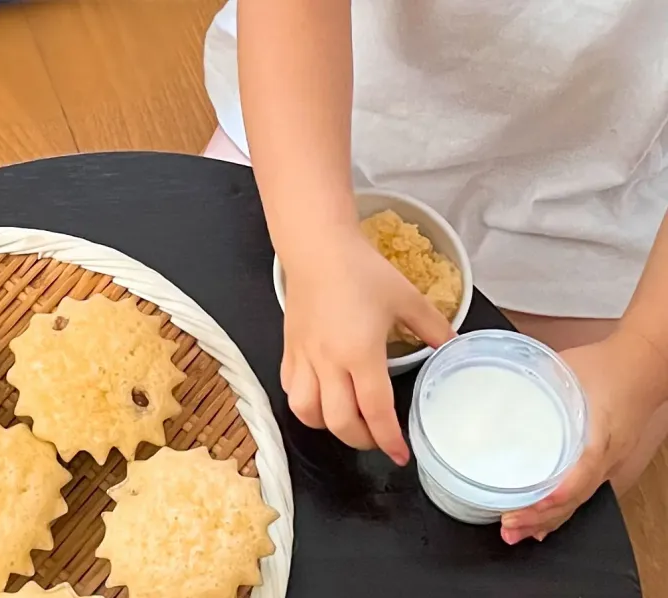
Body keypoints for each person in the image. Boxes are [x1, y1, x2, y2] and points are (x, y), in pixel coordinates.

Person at [203, 0, 668, 544]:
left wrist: (644, 357)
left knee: (578, 482)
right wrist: (315, 241)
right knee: (217, 343)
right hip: (321, 122)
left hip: (590, 207)